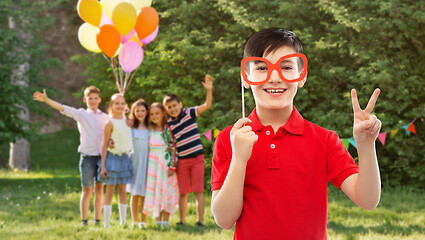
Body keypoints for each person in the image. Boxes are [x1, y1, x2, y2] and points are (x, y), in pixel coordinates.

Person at [210, 28, 382, 239]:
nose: (274, 77)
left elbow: (368, 199)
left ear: (302, 76)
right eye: (262, 67)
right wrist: (239, 159)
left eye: (286, 67)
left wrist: (366, 146)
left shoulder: (324, 140)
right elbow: (224, 219)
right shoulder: (229, 139)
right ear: (245, 77)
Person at [33, 86, 109, 226]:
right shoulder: (81, 114)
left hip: (102, 158)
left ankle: (98, 220)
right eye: (90, 99)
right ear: (85, 100)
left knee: (99, 189)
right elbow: (62, 108)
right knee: (87, 189)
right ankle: (84, 221)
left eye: (95, 98)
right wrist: (47, 100)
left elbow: (118, 124)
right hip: (87, 157)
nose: (92, 101)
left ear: (99, 100)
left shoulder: (105, 117)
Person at [163, 75, 213, 226]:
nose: (172, 109)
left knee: (198, 190)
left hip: (197, 158)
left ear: (180, 104)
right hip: (182, 161)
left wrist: (209, 91)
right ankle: (182, 220)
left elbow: (207, 105)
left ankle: (200, 220)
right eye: (169, 107)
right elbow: (170, 145)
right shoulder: (169, 125)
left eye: (174, 105)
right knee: (183, 192)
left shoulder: (189, 113)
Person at [99, 93, 133, 228]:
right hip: (112, 159)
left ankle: (123, 222)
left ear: (126, 106)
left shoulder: (128, 121)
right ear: (111, 106)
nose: (119, 106)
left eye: (122, 103)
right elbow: (104, 145)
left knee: (123, 191)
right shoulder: (109, 122)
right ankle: (106, 224)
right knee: (110, 190)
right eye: (116, 103)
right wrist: (102, 166)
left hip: (125, 158)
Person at [143, 102, 179, 226]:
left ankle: (165, 220)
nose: (154, 116)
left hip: (165, 163)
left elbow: (173, 148)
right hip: (153, 164)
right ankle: (157, 219)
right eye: (152, 114)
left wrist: (172, 166)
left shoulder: (167, 129)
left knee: (166, 189)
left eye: (157, 113)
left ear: (163, 113)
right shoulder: (149, 128)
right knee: (155, 190)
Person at [127, 99, 150, 229]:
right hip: (134, 161)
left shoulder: (150, 127)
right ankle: (134, 221)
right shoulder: (131, 127)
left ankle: (143, 220)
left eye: (142, 110)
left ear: (147, 112)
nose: (140, 113)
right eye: (137, 111)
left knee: (145, 194)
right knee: (135, 193)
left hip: (147, 162)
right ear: (133, 112)